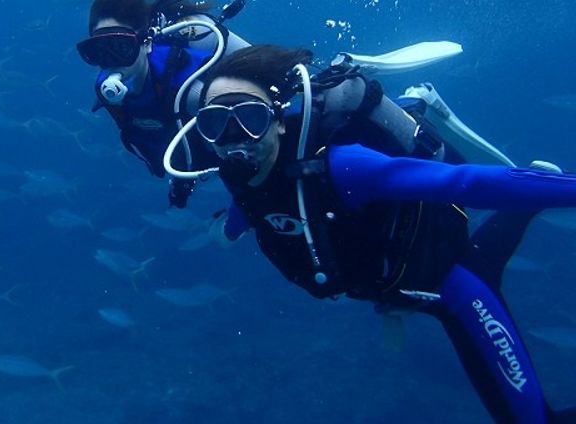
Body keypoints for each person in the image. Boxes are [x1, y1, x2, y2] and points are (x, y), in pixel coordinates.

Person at [167, 44, 576, 423]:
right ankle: (536, 190)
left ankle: (532, 183)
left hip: (450, 280)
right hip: (392, 289)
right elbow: (248, 213)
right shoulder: (245, 180)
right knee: (494, 242)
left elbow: (465, 184)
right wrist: (223, 233)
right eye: (215, 122)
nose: (234, 138)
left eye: (251, 118)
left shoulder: (344, 168)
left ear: (278, 122)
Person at [77, 0, 248, 207]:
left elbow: (243, 133)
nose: (111, 61)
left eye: (121, 48)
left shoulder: (185, 89)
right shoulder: (108, 93)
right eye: (99, 51)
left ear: (146, 43)